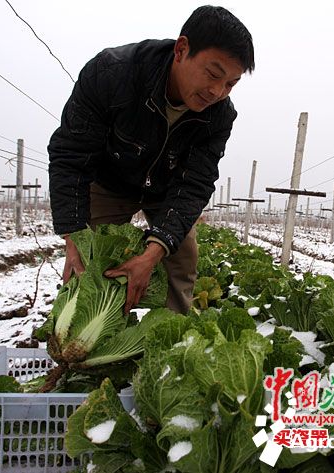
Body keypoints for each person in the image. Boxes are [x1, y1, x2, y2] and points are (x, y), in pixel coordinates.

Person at [48, 5, 254, 315]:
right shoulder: (111, 74)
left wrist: (154, 251)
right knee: (91, 264)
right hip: (109, 180)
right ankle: (92, 343)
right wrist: (74, 234)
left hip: (166, 190)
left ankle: (171, 340)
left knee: (181, 258)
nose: (217, 91)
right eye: (213, 74)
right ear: (181, 49)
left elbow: (195, 184)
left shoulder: (219, 116)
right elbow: (70, 156)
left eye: (230, 84)